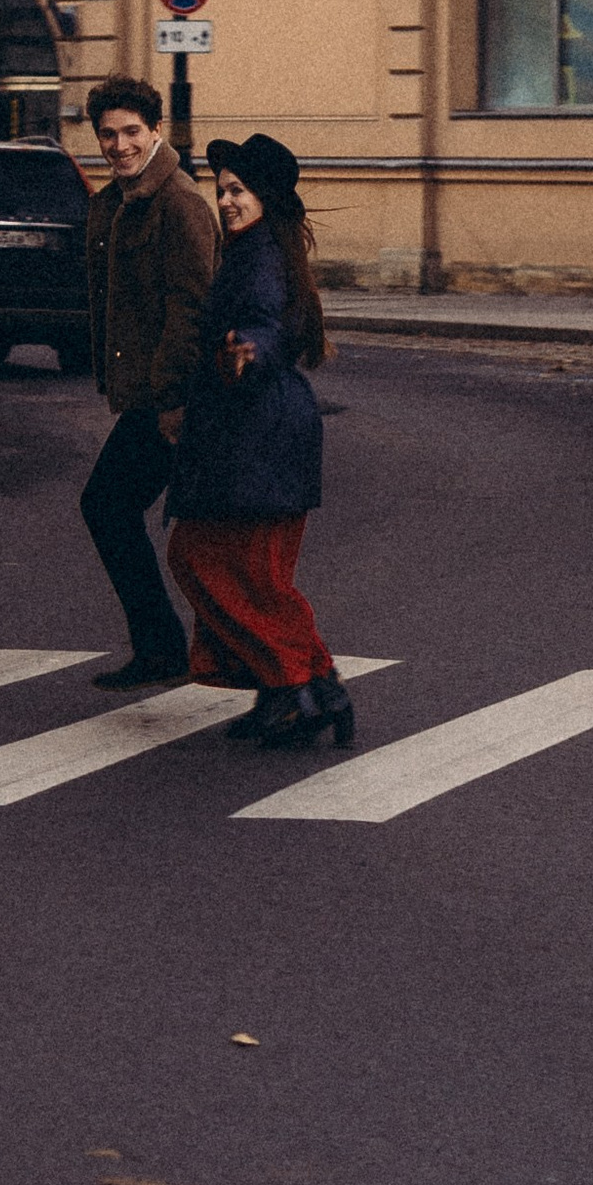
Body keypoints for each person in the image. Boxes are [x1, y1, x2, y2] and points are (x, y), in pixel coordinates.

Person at [165, 131, 352, 752]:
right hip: (257, 435)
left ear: (266, 196)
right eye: (221, 191)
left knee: (219, 563)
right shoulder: (261, 248)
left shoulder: (261, 256)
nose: (226, 201)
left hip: (257, 436)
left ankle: (298, 682)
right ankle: (302, 688)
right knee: (242, 569)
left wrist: (249, 349)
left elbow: (267, 323)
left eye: (238, 191)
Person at [78, 74, 220, 689]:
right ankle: (172, 645)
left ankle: (175, 646)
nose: (119, 144)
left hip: (174, 398)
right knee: (145, 516)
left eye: (131, 131)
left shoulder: (177, 202)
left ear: (156, 130)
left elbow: (191, 307)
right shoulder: (115, 201)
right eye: (108, 134)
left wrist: (171, 399)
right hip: (147, 393)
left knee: (110, 505)